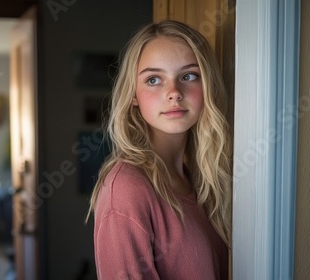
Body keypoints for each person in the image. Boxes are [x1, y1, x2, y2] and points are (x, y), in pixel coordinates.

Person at [87, 20, 232, 279]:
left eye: (189, 76)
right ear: (133, 94)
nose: (174, 92)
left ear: (207, 84)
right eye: (154, 79)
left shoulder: (200, 180)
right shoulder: (126, 189)